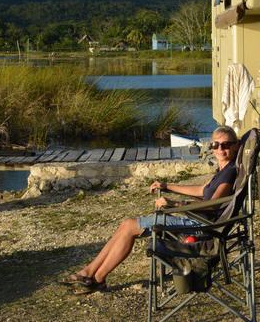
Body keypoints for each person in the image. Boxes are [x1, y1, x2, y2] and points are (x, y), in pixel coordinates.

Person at [62, 126, 240, 294]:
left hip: (201, 225)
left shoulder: (230, 172)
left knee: (131, 226)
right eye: (216, 144)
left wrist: (174, 205)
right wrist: (167, 186)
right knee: (127, 225)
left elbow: (213, 204)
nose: (220, 149)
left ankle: (97, 277)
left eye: (226, 145)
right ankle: (91, 272)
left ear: (235, 145)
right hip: (197, 219)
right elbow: (202, 190)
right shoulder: (223, 169)